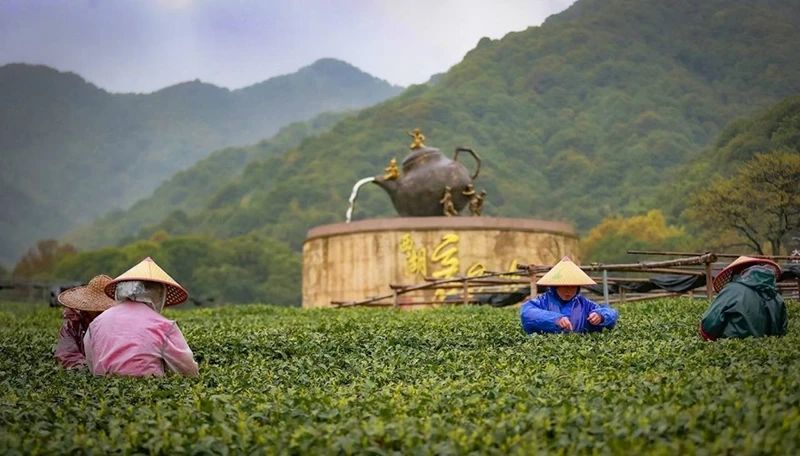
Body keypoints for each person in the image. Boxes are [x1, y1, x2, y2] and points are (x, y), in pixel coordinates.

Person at [84, 257, 199, 377]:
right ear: (159, 294)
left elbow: (91, 362)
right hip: (149, 391)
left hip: (102, 391)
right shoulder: (164, 325)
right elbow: (188, 370)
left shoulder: (97, 322)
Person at [520, 256, 618, 334]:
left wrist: (601, 316)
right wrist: (556, 320)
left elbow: (611, 313)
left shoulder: (584, 304)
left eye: (572, 287)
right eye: (564, 286)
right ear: (556, 286)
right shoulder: (543, 301)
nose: (568, 291)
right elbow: (527, 313)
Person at [700, 256, 786, 341]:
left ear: (737, 273)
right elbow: (782, 331)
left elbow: (709, 325)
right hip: (769, 351)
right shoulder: (776, 297)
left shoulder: (732, 290)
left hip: (734, 350)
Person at [54, 274, 114, 369]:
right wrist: (85, 368)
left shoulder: (120, 321)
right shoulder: (74, 323)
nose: (99, 312)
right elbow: (67, 354)